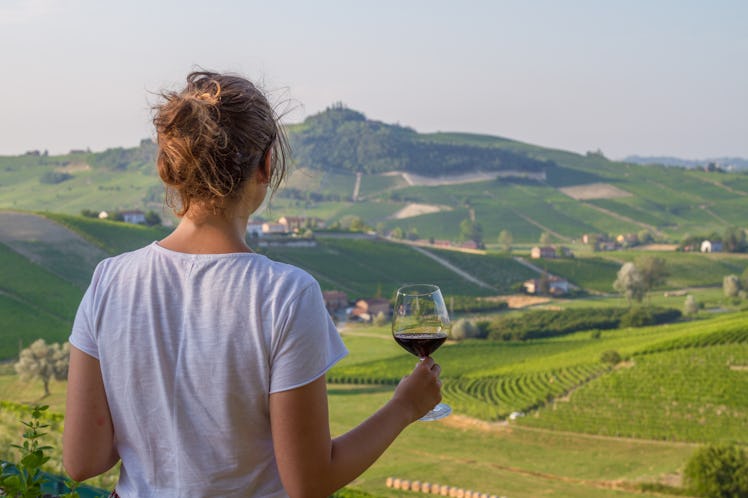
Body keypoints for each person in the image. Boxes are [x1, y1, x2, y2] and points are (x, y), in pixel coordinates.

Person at [62, 71, 443, 498]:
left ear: (171, 166)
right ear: (266, 165)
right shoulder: (286, 294)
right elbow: (310, 483)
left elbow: (83, 461)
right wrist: (405, 407)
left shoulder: (109, 280)